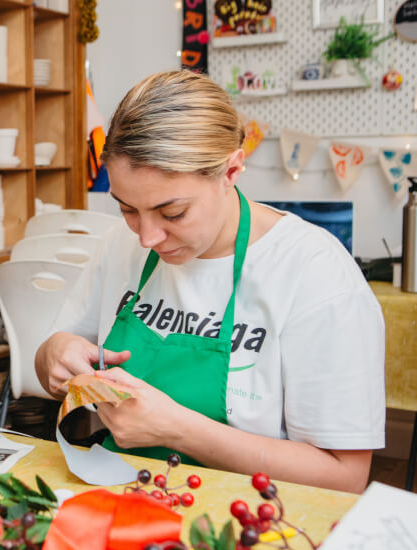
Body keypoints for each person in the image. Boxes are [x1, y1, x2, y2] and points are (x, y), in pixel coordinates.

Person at [35, 70, 385, 494]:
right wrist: (51, 353)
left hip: (257, 516)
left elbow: (344, 477)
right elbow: (58, 361)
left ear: (231, 170)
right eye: (127, 209)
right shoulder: (118, 246)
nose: (147, 238)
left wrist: (178, 430)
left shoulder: (313, 272)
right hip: (124, 499)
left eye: (173, 213)